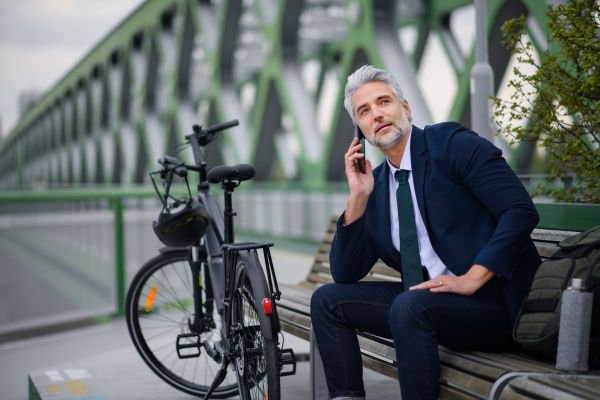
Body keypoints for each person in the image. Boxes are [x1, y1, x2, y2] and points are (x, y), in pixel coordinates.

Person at [310, 65, 542, 400]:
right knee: (327, 300)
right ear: (359, 130)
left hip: (494, 305)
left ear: (405, 108)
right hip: (426, 304)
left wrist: (472, 278)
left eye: (384, 102)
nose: (377, 114)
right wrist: (358, 196)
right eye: (365, 111)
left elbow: (519, 210)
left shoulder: (451, 144)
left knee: (409, 305)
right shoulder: (375, 187)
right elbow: (345, 271)